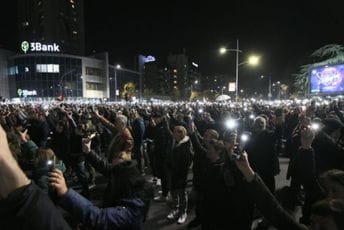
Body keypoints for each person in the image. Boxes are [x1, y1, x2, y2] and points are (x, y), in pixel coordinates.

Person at [0, 124, 71, 230]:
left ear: (41, 161)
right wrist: (25, 140)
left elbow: (41, 201)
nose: (34, 159)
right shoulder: (54, 164)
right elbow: (37, 151)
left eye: (36, 158)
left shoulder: (43, 178)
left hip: (48, 207)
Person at [166, 126, 193, 224]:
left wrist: (182, 175)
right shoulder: (173, 141)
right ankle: (175, 209)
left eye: (176, 132)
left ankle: (183, 212)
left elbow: (186, 162)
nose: (173, 133)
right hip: (172, 171)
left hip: (181, 173)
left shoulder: (186, 144)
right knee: (173, 191)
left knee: (182, 193)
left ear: (181, 133)